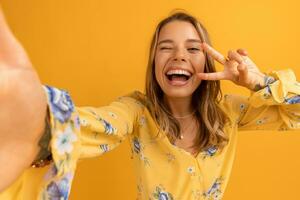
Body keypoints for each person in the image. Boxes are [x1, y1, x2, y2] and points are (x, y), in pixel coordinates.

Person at [0, 6, 299, 200]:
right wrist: (40, 121)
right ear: (155, 64)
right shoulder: (137, 113)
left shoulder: (230, 112)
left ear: (207, 60)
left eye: (193, 48)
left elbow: (295, 114)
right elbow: (94, 125)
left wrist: (259, 82)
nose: (179, 56)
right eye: (165, 48)